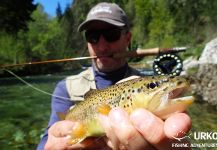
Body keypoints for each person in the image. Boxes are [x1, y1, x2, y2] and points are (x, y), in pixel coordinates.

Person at [37, 2, 192, 150]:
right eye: (93, 36)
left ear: (128, 38)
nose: (102, 46)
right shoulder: (65, 88)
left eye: (111, 35)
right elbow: (46, 140)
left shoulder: (140, 81)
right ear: (87, 43)